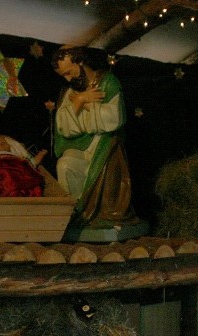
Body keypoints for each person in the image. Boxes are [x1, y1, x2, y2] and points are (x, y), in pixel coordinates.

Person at [52, 46, 140, 227]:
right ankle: (74, 216)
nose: (68, 79)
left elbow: (114, 118)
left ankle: (101, 215)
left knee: (104, 170)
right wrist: (80, 100)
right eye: (64, 76)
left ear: (81, 62)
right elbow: (64, 127)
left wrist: (86, 105)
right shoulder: (71, 92)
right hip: (80, 150)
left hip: (104, 148)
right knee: (65, 165)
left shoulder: (108, 83)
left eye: (69, 72)